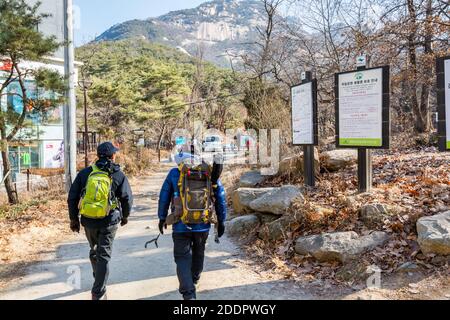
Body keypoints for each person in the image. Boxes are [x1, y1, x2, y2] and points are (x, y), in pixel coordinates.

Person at [67, 142, 133, 300]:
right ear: (113, 156)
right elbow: (127, 198)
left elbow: (72, 197)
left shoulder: (85, 173)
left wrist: (73, 219)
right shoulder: (117, 174)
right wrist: (125, 216)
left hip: (88, 220)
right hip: (109, 220)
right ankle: (98, 292)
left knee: (96, 251)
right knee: (103, 256)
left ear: (97, 156)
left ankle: (99, 280)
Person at [158, 152, 227, 300]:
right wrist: (221, 220)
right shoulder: (208, 173)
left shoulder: (174, 173)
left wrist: (162, 217)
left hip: (180, 225)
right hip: (202, 225)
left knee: (182, 258)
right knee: (199, 253)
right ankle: (194, 279)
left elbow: (164, 195)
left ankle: (189, 294)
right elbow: (220, 195)